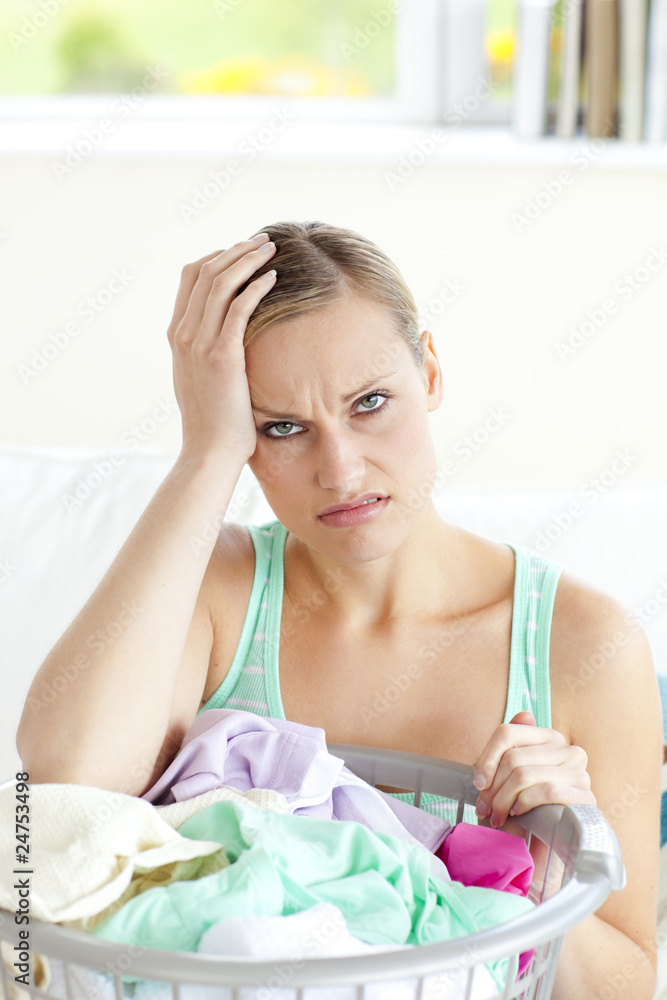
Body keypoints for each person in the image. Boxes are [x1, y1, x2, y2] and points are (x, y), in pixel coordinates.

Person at [17, 221, 661, 999]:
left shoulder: (581, 644)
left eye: (370, 402)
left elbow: (627, 984)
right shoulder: (218, 589)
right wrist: (205, 453)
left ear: (429, 372)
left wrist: (539, 865)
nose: (340, 469)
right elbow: (64, 785)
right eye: (279, 427)